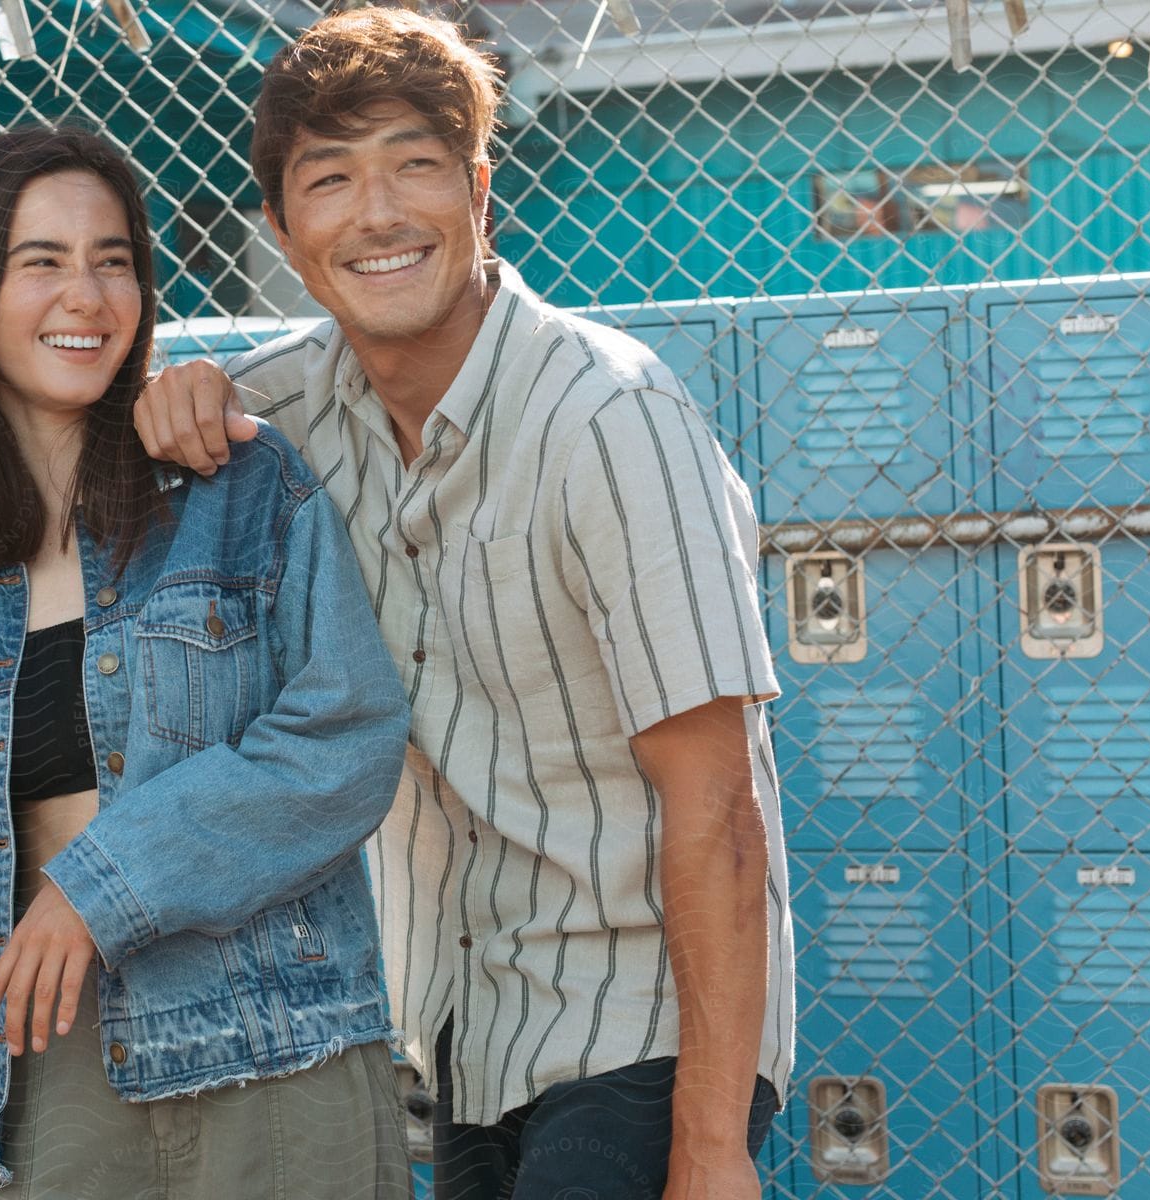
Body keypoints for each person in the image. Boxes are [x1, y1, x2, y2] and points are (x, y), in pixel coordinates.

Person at [136, 10, 795, 1200]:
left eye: (416, 165)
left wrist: (709, 1148)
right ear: (284, 233)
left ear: (481, 189)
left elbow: (719, 801)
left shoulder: (610, 419)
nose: (377, 213)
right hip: (467, 1028)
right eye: (331, 180)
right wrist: (167, 394)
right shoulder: (286, 415)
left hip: (643, 1020)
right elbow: (151, 431)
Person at [0, 126, 414, 1199]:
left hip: (273, 1051)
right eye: (43, 262)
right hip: (46, 1089)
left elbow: (348, 737)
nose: (87, 296)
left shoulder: (239, 489)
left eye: (112, 258)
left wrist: (98, 890)